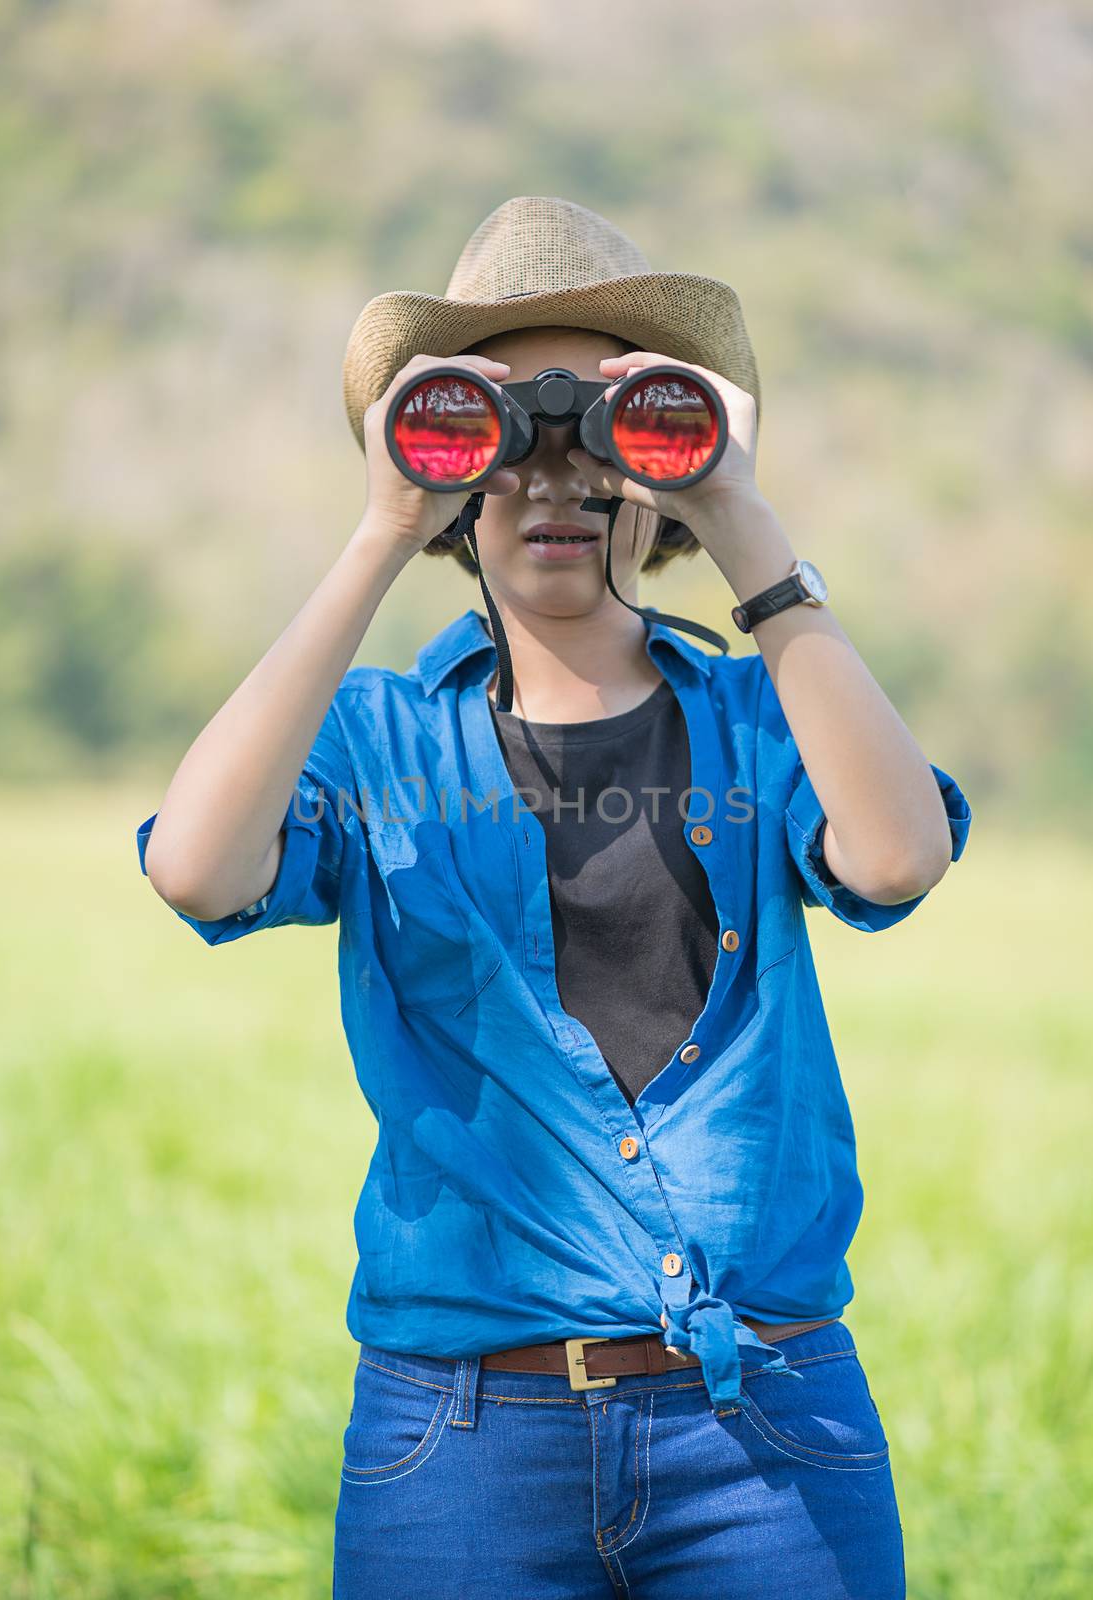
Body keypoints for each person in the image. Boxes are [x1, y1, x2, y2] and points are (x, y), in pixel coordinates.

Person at [136, 197, 971, 1599]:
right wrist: (381, 531)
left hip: (764, 1425)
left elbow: (891, 857)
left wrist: (739, 509)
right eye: (507, 434)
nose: (558, 477)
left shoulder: (775, 719)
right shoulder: (379, 738)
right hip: (459, 1439)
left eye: (609, 431)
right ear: (456, 472)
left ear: (665, 458)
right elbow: (197, 867)